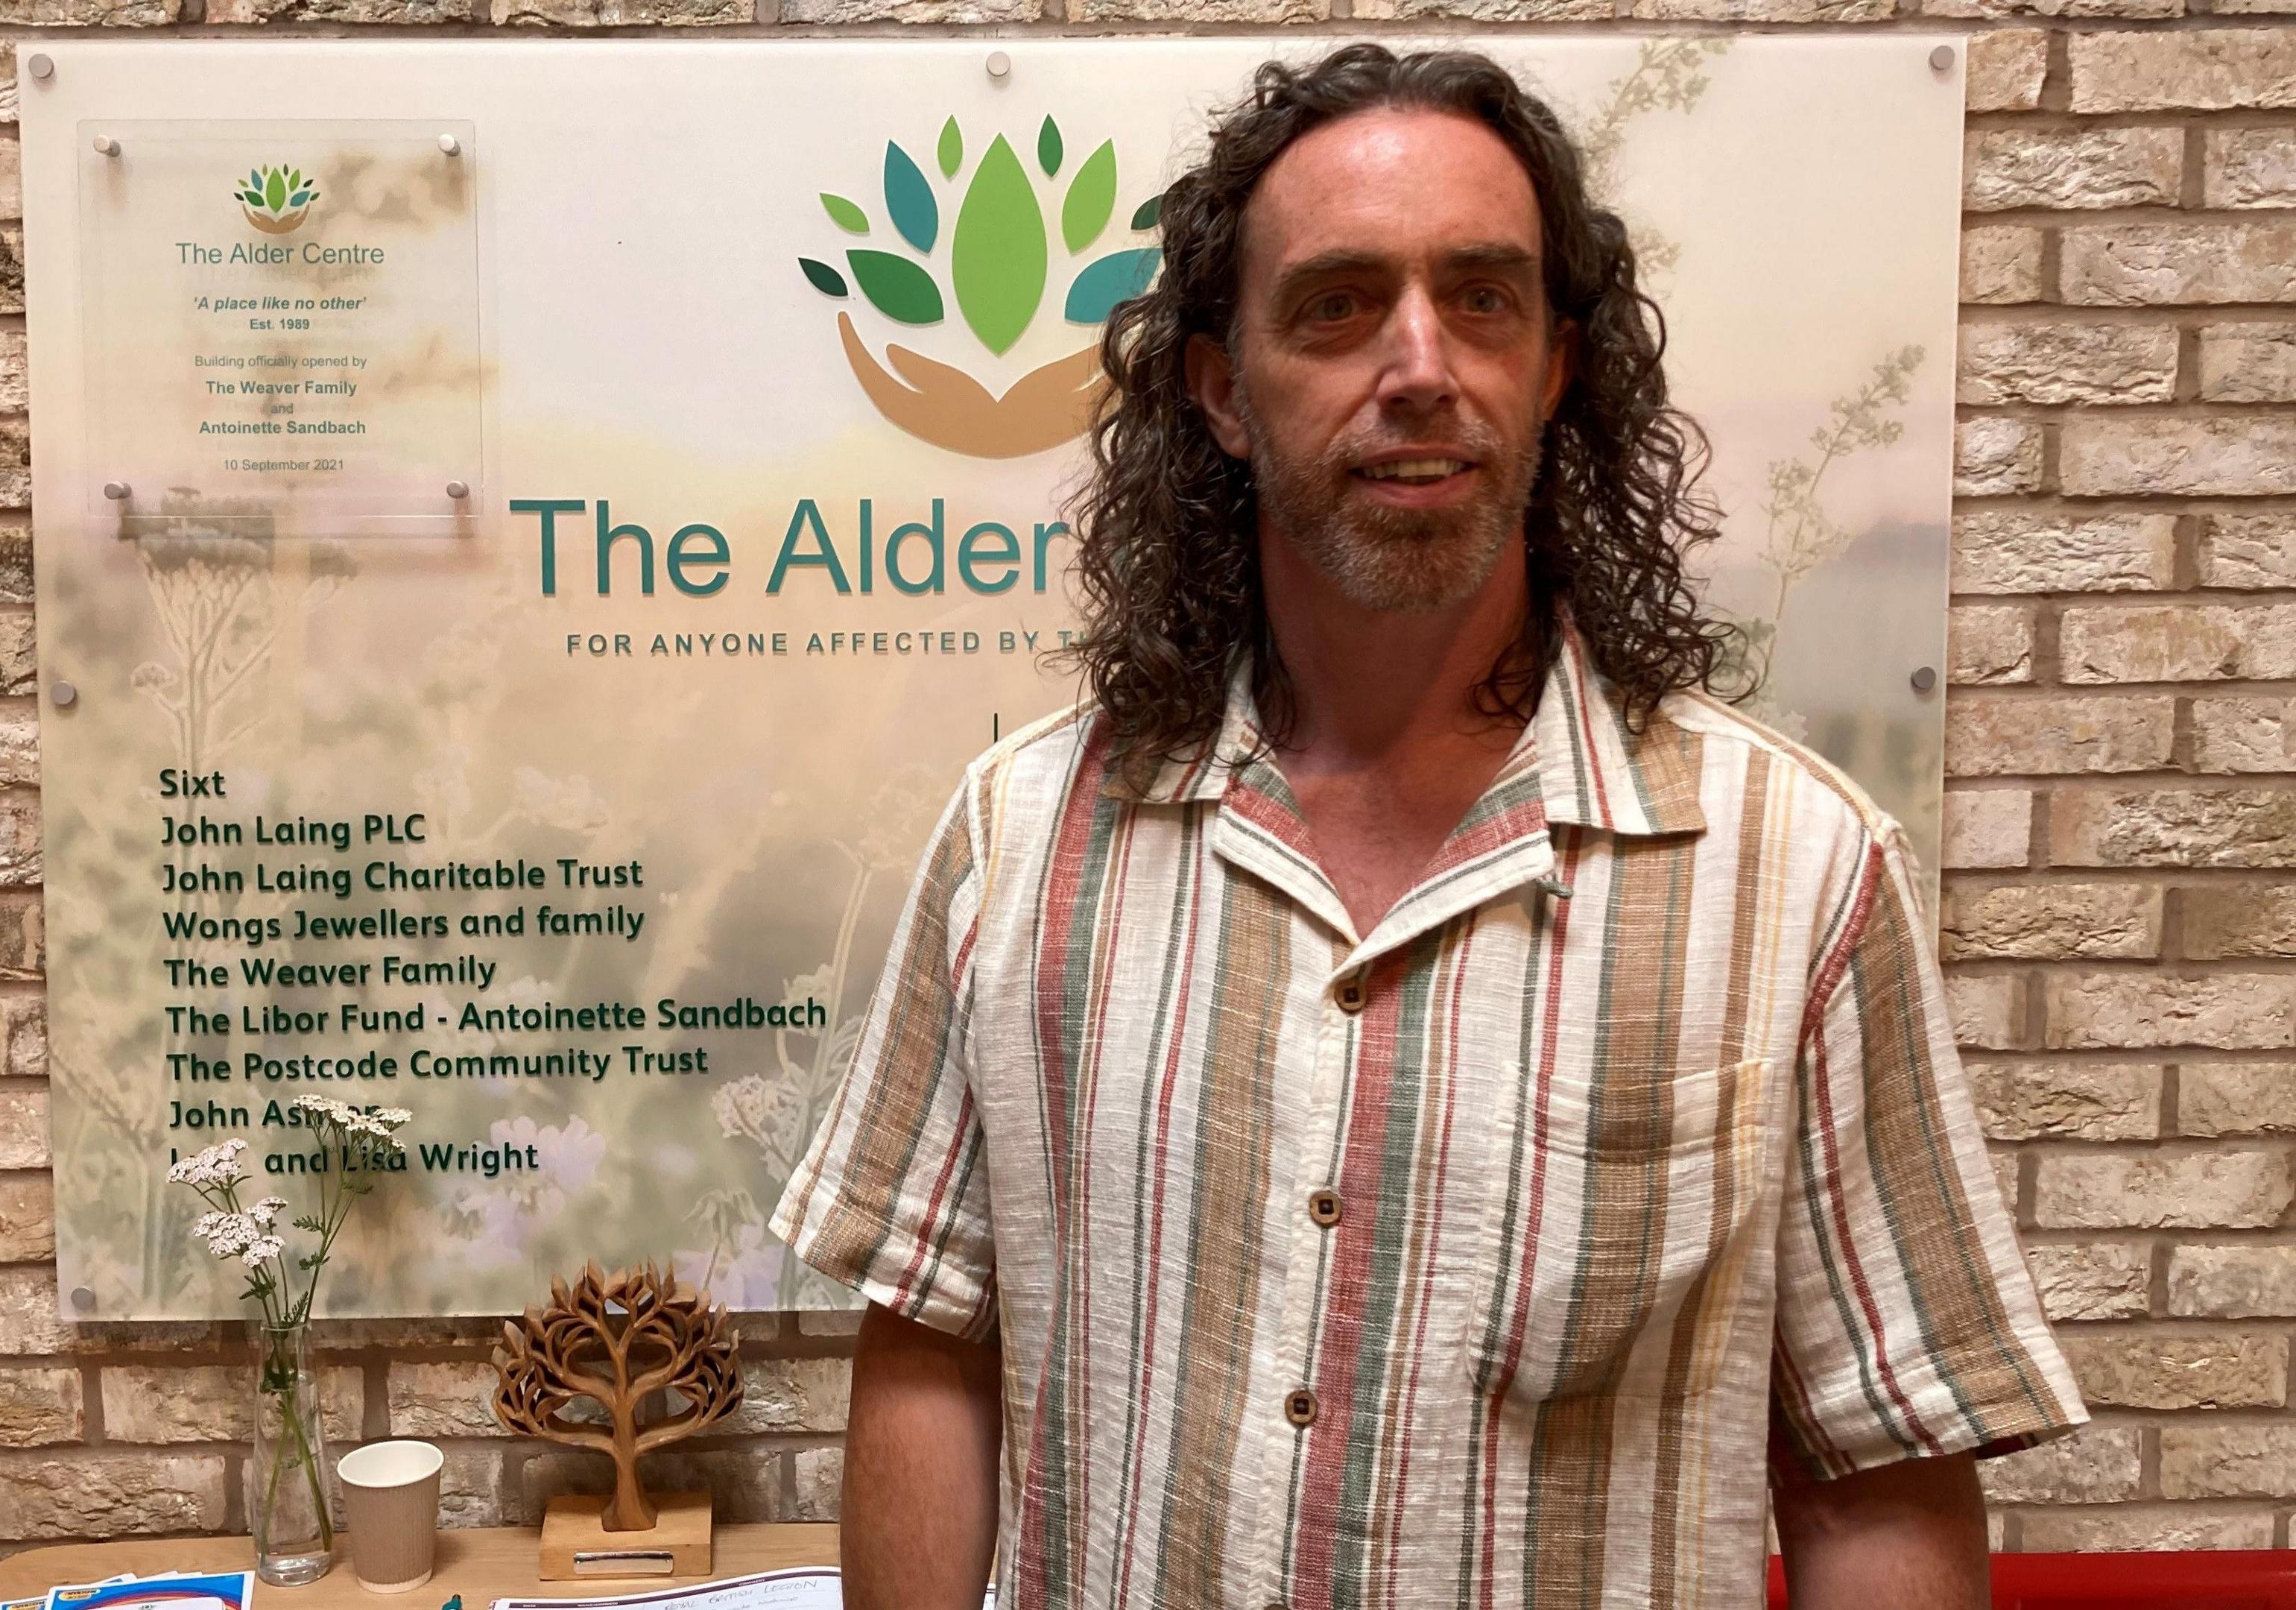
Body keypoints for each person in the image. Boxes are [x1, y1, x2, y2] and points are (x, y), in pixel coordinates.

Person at [770, 42, 2084, 1610]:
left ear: (1554, 371)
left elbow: (1880, 1477)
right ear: (1221, 393)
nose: (1420, 363)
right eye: (1336, 305)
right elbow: (936, 1346)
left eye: (1483, 298)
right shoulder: (1028, 834)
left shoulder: (1800, 875)